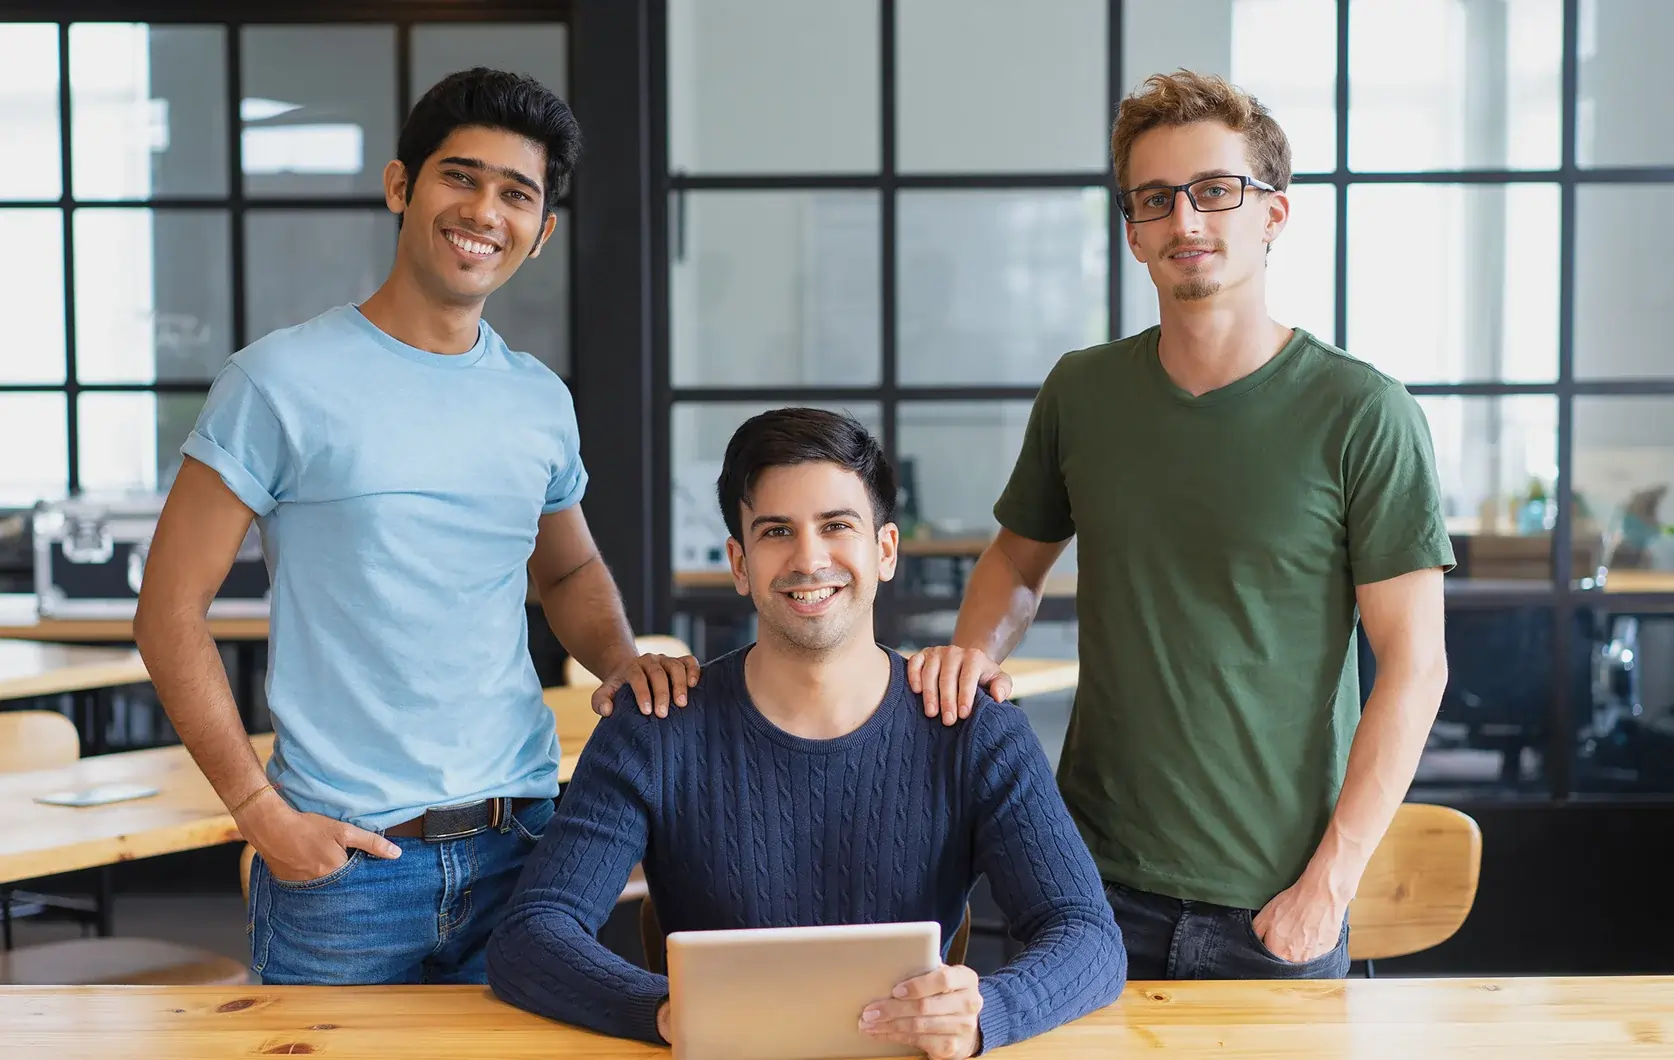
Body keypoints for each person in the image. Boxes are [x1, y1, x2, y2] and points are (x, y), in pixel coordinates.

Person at [134, 67, 697, 986]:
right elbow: (167, 612)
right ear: (403, 185)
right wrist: (257, 810)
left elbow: (565, 572)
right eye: (459, 177)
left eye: (515, 194)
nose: (484, 210)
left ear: (540, 232)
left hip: (524, 847)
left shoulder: (538, 401)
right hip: (348, 868)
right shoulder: (277, 382)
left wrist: (624, 660)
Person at [906, 70, 1453, 980]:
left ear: (1273, 215)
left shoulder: (1363, 412)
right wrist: (975, 658)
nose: (1186, 222)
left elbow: (1416, 664)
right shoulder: (1083, 392)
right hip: (1087, 889)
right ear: (1131, 232)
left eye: (1215, 192)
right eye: (1155, 200)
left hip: (1277, 901)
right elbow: (1015, 559)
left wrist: (1331, 884)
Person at [485, 408, 1125, 1060]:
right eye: (776, 532)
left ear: (885, 551)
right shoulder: (655, 728)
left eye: (837, 526)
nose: (809, 558)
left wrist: (988, 1012)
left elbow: (1088, 937)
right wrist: (660, 1012)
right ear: (740, 563)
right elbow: (530, 933)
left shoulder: (974, 727)